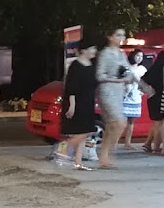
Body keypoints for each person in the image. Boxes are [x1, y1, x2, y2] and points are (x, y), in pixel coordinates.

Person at [95, 27, 134, 169]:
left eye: (123, 35)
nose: (121, 38)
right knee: (119, 121)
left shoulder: (121, 54)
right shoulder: (105, 54)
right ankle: (109, 152)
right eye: (118, 35)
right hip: (107, 90)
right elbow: (99, 75)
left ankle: (105, 157)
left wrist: (128, 78)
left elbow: (129, 71)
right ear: (110, 37)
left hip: (119, 91)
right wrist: (116, 79)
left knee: (112, 125)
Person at [61, 40, 100, 170]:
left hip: (88, 102)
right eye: (92, 48)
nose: (94, 51)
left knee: (85, 132)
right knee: (80, 133)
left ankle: (78, 163)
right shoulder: (75, 66)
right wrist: (72, 105)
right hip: (77, 102)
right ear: (84, 50)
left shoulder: (92, 65)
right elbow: (71, 87)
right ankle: (61, 151)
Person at [140, 50, 164, 153]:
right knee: (160, 123)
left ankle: (148, 143)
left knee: (156, 123)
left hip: (152, 97)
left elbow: (141, 80)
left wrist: (148, 90)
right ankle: (156, 147)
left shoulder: (153, 69)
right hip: (160, 97)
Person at [121, 48, 146, 149]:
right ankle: (114, 141)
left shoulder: (142, 69)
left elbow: (145, 83)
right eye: (137, 56)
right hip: (124, 96)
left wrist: (142, 92)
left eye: (141, 56)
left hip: (135, 97)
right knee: (121, 121)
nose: (139, 58)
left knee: (131, 121)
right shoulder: (126, 67)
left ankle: (128, 143)